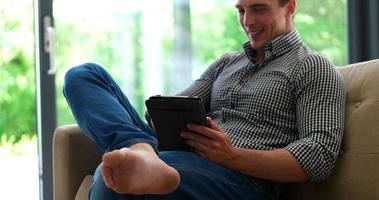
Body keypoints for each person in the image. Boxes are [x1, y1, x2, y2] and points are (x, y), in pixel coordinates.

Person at [63, 0, 346, 199]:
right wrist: (159, 119)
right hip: (174, 154)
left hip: (239, 178)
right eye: (241, 10)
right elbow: (171, 106)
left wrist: (231, 155)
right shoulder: (226, 63)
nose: (247, 22)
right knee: (83, 75)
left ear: (290, 6)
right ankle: (141, 150)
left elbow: (318, 156)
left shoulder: (312, 65)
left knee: (111, 177)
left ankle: (145, 161)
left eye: (258, 9)